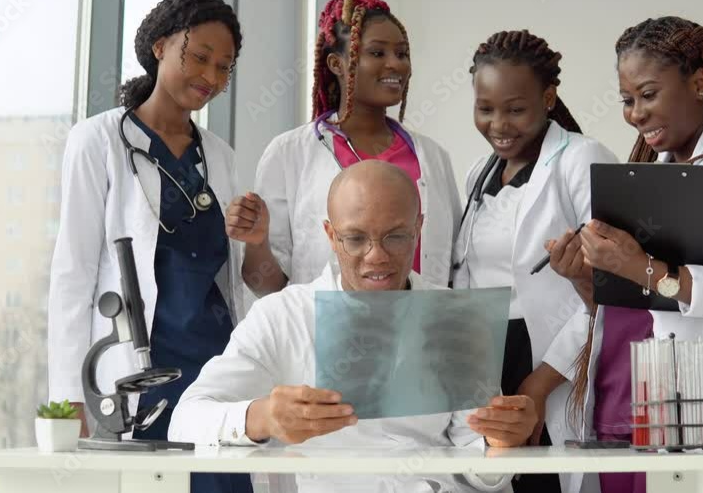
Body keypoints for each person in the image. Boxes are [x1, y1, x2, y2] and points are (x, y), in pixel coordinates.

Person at [169, 161, 536, 493]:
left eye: (395, 236)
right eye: (356, 239)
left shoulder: (454, 316)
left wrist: (500, 446)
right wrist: (262, 417)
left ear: (418, 228)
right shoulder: (281, 316)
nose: (377, 256)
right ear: (331, 235)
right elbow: (185, 422)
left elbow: (479, 474)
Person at [547, 16, 703, 493]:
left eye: (647, 94)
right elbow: (628, 300)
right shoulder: (643, 172)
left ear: (699, 83)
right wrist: (583, 276)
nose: (635, 114)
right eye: (627, 100)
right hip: (628, 392)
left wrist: (642, 267)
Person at [47, 0, 252, 493]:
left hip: (215, 369)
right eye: (198, 56)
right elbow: (72, 272)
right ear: (160, 46)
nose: (209, 77)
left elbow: (230, 274)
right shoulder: (98, 141)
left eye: (223, 68)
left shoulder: (219, 157)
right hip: (140, 370)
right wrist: (70, 391)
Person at [452, 30, 617, 493]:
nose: (499, 124)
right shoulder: (477, 173)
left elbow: (610, 292)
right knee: (491, 476)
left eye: (515, 109)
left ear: (548, 98)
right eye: (485, 108)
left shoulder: (581, 160)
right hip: (485, 354)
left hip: (547, 358)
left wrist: (540, 385)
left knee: (544, 481)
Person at [225, 0, 461, 296]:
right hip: (323, 335)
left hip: (420, 333)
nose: (395, 64)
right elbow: (269, 287)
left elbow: (453, 267)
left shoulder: (432, 157)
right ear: (337, 64)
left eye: (401, 54)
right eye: (377, 53)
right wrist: (257, 242)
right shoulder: (290, 153)